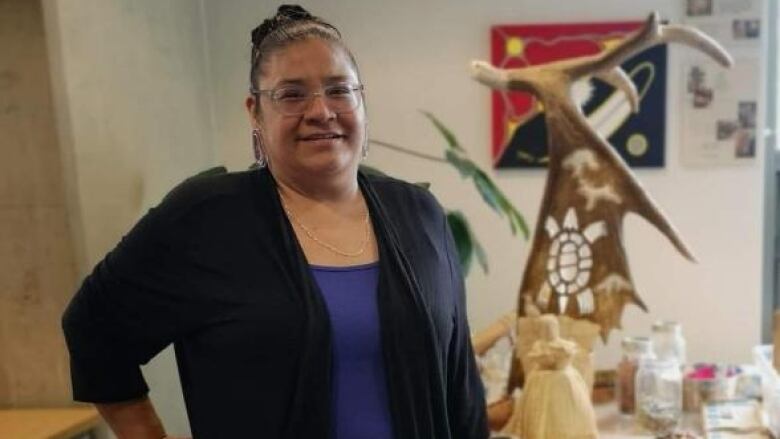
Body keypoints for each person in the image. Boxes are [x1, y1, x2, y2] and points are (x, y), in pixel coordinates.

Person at [61, 4, 488, 439]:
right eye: (292, 94)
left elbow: (460, 385)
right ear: (255, 112)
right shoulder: (206, 219)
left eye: (340, 90)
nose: (321, 110)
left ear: (361, 101)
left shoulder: (420, 214)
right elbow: (94, 328)